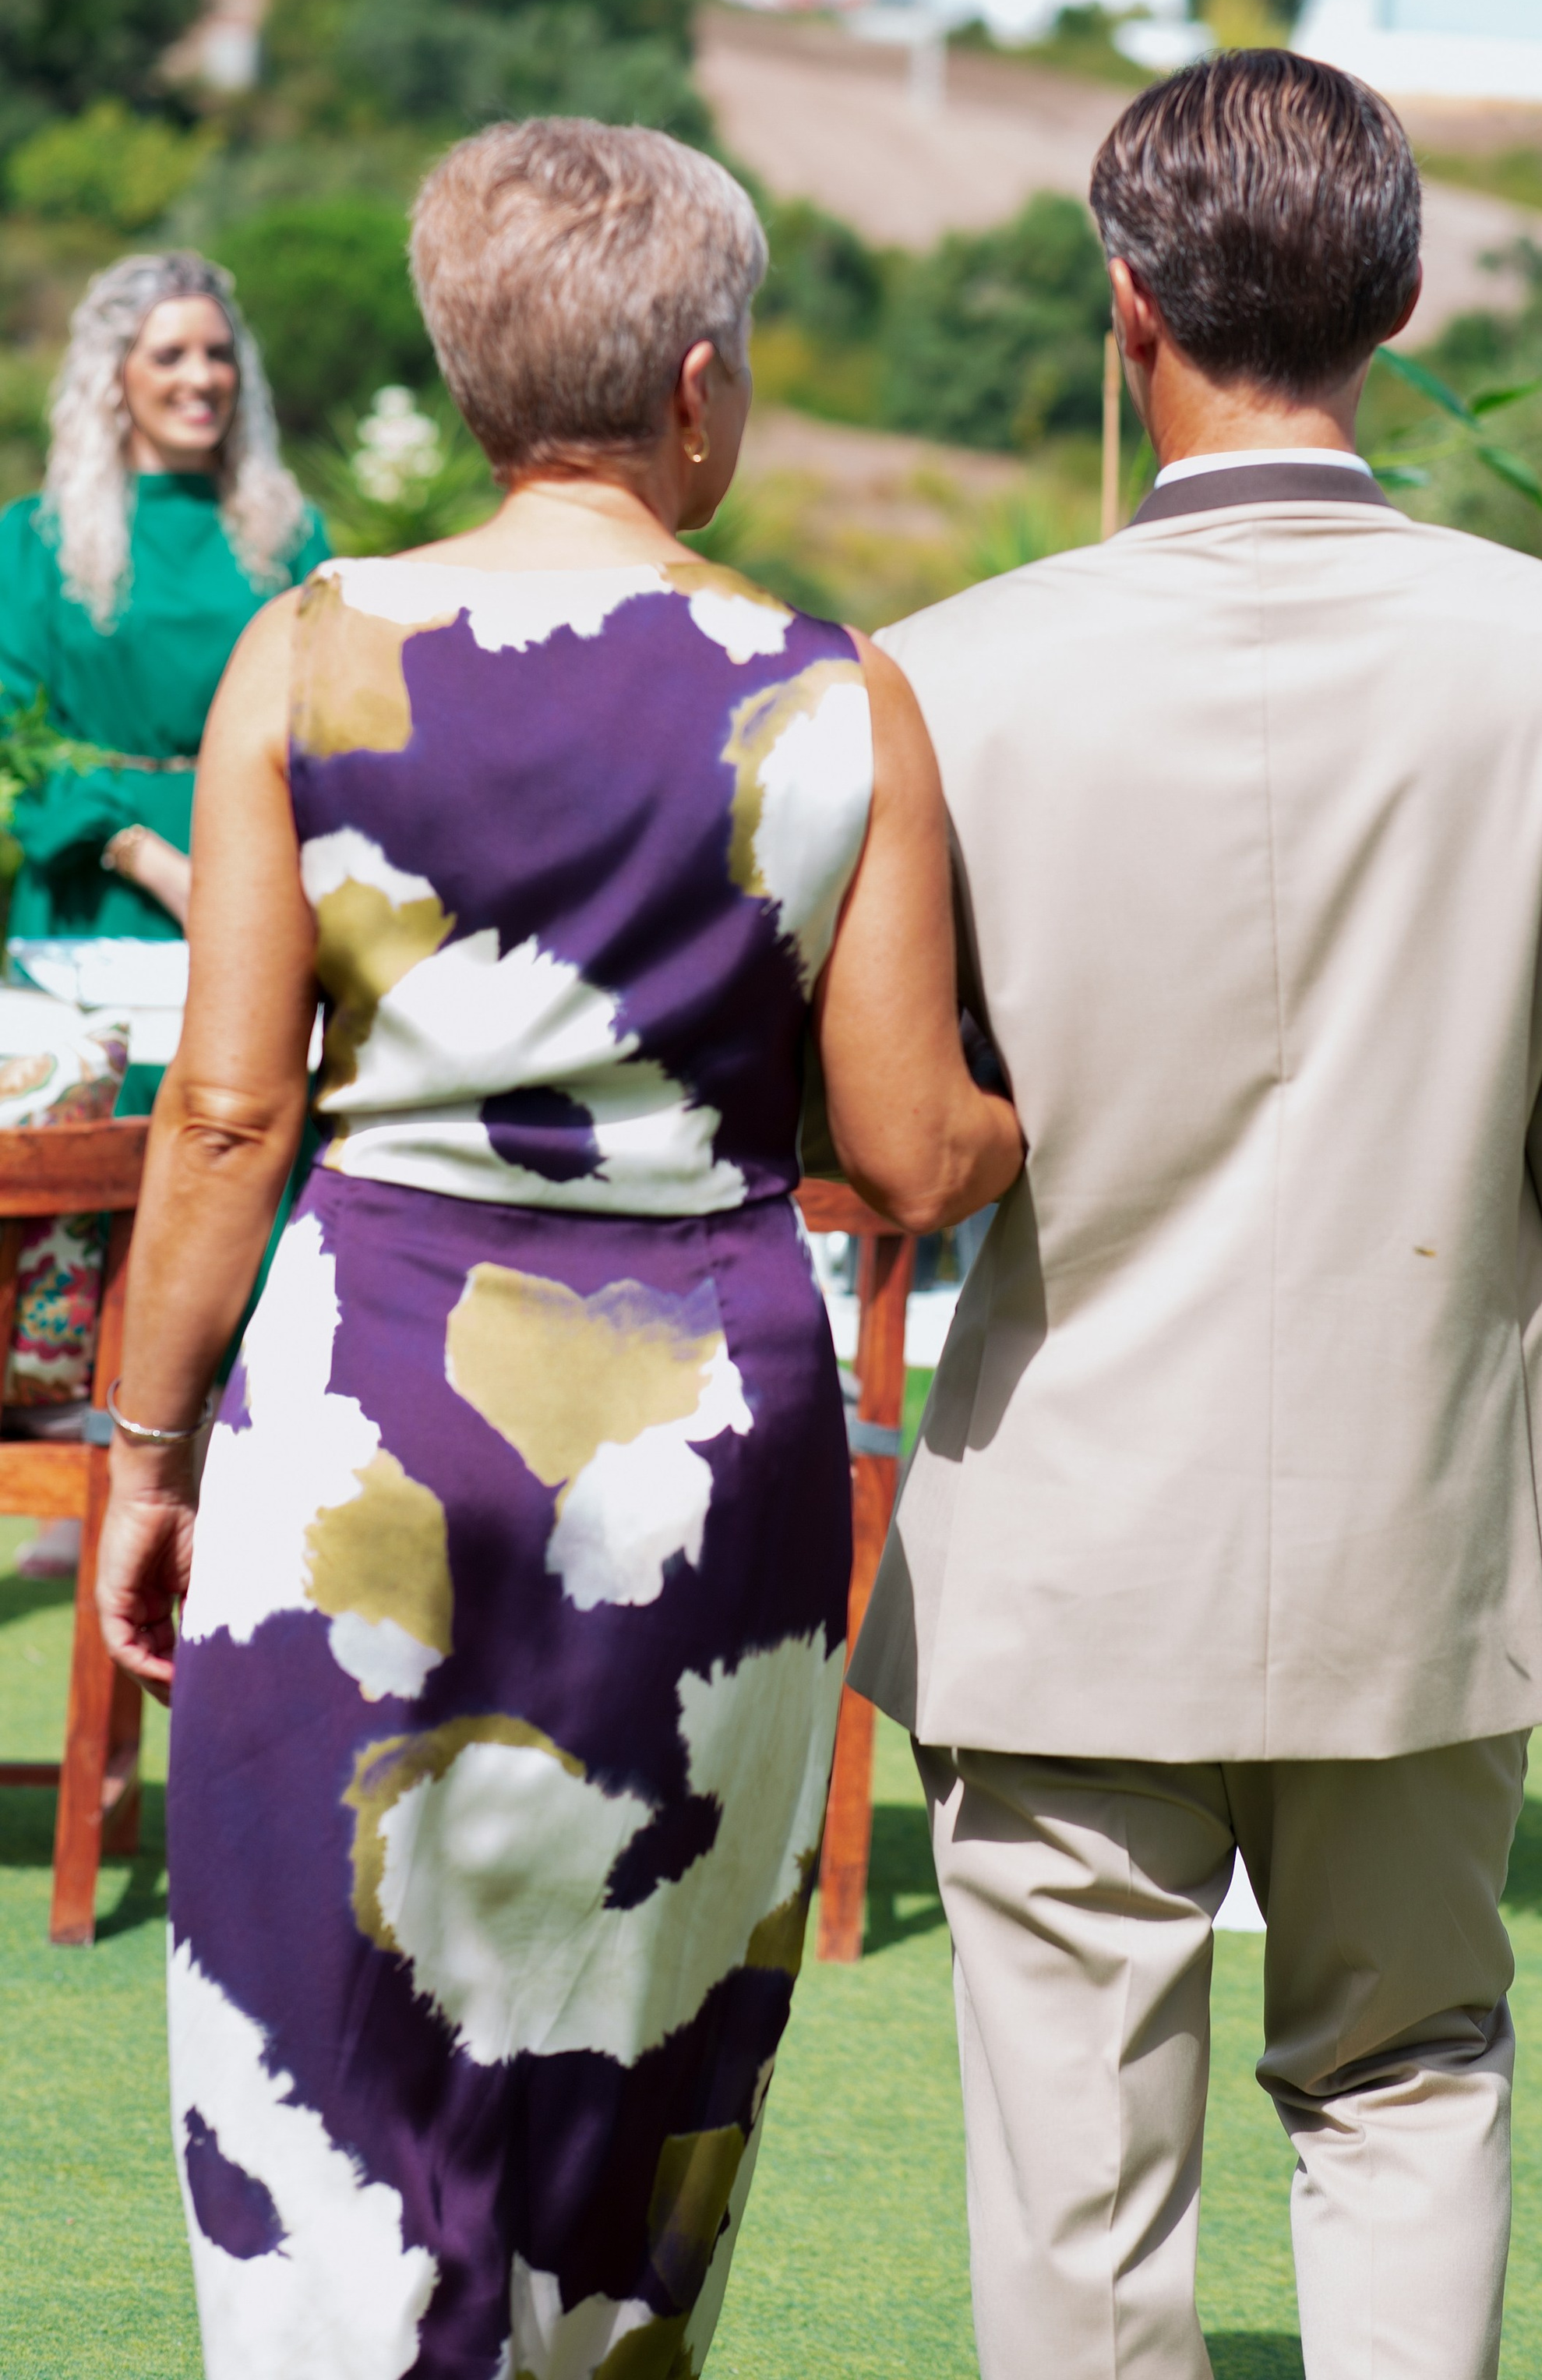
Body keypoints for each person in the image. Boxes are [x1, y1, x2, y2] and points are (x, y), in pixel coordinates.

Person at [95, 116, 1022, 2379]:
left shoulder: (307, 658)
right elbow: (908, 1158)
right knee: (629, 2027)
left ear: (469, 370)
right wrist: (1065, 1106)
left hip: (357, 1417)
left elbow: (225, 1115)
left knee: (321, 2037)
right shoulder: (834, 694)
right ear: (703, 391)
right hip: (706, 1440)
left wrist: (141, 1441)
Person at [849, 51, 1542, 2380]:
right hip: (1430, 1507)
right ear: (1407, 292)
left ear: (1126, 306)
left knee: (1075, 2179)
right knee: (1410, 2078)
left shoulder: (942, 675)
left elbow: (903, 1123)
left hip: (1062, 1518)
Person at [0, 252, 326, 1575]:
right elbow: (16, 741)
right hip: (95, 896)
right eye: (170, 357)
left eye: (216, 355)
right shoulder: (35, 541)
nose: (201, 379)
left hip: (260, 895)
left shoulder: (290, 540)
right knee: (96, 1186)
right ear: (115, 380)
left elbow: (337, 724)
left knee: (249, 1158)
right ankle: (76, 1473)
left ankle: (234, 1474)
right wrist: (151, 852)